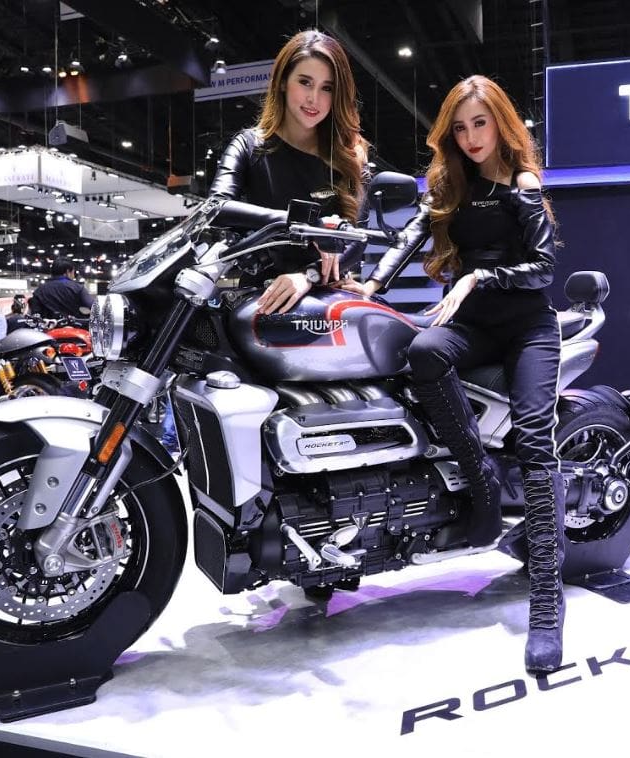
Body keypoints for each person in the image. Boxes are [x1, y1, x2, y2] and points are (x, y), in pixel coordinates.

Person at [346, 75, 565, 674]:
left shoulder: (521, 184)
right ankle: (480, 479)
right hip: (471, 325)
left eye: (480, 123)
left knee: (535, 443)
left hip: (528, 327)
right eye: (460, 127)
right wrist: (368, 285)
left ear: (500, 123)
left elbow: (543, 268)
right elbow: (410, 236)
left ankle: (547, 605)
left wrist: (476, 277)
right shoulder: (449, 185)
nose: (470, 136)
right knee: (420, 353)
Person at [208, 28, 370, 315]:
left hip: (325, 296)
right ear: (283, 82)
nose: (314, 99)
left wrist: (309, 275)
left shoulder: (350, 155)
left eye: (327, 88)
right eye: (305, 82)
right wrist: (307, 225)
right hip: (260, 296)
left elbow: (357, 239)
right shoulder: (249, 144)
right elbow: (216, 207)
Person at [29, 259, 93, 319]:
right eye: (73, 272)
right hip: (73, 325)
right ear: (68, 272)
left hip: (48, 326)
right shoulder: (77, 288)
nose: (74, 276)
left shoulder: (39, 290)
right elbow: (94, 307)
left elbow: (35, 314)